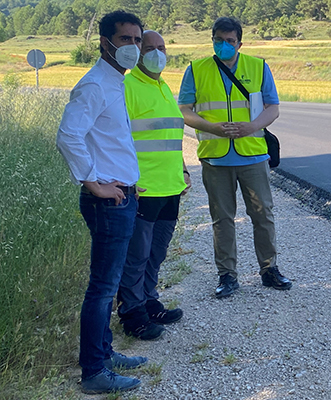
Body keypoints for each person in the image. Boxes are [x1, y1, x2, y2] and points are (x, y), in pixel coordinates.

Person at [56, 10, 148, 394]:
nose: (133, 47)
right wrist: (94, 183)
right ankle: (94, 370)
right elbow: (68, 135)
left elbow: (110, 140)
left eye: (137, 40)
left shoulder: (116, 81)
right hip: (107, 203)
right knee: (103, 288)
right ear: (105, 43)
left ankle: (105, 353)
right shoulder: (94, 85)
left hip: (121, 195)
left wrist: (128, 180)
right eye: (125, 39)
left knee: (107, 285)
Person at [178, 16, 291, 298]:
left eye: (230, 41)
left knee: (263, 215)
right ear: (212, 40)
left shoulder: (258, 66)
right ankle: (227, 275)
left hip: (253, 154)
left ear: (240, 43)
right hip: (215, 157)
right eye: (219, 40)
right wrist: (212, 127)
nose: (224, 45)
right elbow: (184, 110)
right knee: (222, 219)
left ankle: (269, 269)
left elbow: (273, 107)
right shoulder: (196, 69)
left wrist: (252, 126)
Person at [117, 30, 190, 341]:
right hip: (143, 188)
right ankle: (132, 314)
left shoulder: (163, 86)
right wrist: (126, 180)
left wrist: (182, 170)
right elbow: (117, 140)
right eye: (149, 48)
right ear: (137, 52)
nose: (157, 54)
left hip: (170, 186)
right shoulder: (127, 88)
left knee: (157, 253)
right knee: (136, 256)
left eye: (162, 48)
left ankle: (149, 301)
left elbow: (171, 136)